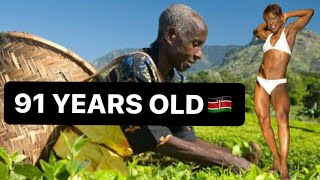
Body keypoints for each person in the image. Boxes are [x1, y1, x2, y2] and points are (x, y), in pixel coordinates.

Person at [54, 3, 258, 175]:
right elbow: (155, 139)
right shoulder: (134, 68)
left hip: (109, 165)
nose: (199, 54)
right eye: (195, 44)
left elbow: (185, 136)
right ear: (170, 35)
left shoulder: (175, 80)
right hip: (75, 159)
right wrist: (229, 162)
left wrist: (233, 156)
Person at [253, 4, 313, 179]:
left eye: (273, 18)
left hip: (278, 83)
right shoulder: (267, 36)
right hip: (261, 81)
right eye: (267, 19)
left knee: (282, 121)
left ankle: (284, 167)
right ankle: (276, 159)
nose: (269, 22)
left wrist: (286, 15)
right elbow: (257, 31)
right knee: (263, 121)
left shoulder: (289, 32)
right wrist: (270, 22)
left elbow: (309, 12)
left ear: (280, 17)